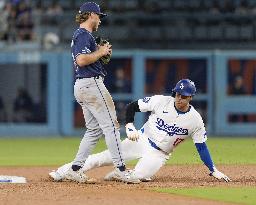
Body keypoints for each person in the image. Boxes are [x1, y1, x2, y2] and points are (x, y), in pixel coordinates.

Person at [49, 79, 231, 183]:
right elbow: (132, 106)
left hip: (159, 154)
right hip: (140, 140)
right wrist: (129, 125)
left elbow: (201, 147)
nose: (179, 98)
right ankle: (62, 171)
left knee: (136, 177)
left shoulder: (195, 120)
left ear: (191, 97)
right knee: (102, 158)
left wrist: (212, 169)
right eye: (177, 94)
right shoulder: (161, 101)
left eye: (184, 96)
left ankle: (119, 175)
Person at [63, 2, 139, 184]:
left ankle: (74, 170)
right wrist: (101, 51)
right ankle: (121, 170)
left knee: (93, 130)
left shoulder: (81, 36)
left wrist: (97, 53)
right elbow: (81, 60)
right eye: (98, 16)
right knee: (112, 127)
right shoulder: (83, 34)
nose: (100, 20)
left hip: (82, 86)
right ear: (90, 15)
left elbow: (85, 59)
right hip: (91, 84)